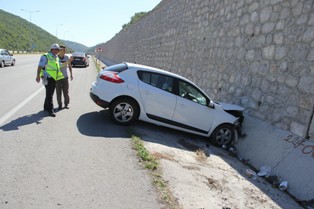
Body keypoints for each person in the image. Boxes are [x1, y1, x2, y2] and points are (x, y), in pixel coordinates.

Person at [35, 44, 70, 117]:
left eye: (59, 50)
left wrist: (69, 61)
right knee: (50, 94)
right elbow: (40, 66)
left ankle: (45, 107)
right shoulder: (45, 56)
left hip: (54, 78)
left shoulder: (56, 57)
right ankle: (50, 110)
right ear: (52, 49)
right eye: (57, 49)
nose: (58, 51)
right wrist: (38, 76)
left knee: (49, 93)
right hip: (47, 78)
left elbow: (60, 65)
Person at [56, 45, 73, 110]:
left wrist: (71, 74)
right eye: (63, 50)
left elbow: (70, 66)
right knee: (58, 92)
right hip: (58, 78)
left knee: (66, 92)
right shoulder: (56, 58)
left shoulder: (66, 57)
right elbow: (59, 66)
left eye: (65, 50)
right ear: (59, 51)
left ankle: (66, 104)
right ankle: (59, 105)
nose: (64, 51)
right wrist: (68, 62)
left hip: (65, 78)